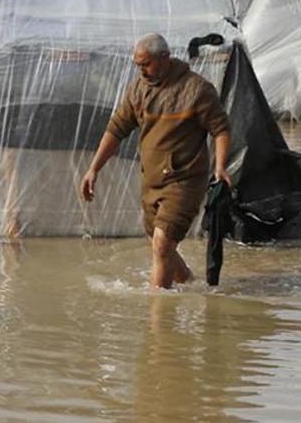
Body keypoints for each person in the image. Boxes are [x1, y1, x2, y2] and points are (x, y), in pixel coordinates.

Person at [79, 33, 232, 288]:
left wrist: (220, 167)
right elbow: (116, 129)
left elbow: (221, 129)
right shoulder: (139, 89)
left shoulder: (196, 89)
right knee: (162, 246)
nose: (141, 70)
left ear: (165, 58)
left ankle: (158, 318)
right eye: (137, 65)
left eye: (145, 64)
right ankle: (192, 286)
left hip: (184, 181)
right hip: (151, 182)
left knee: (162, 244)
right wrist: (93, 169)